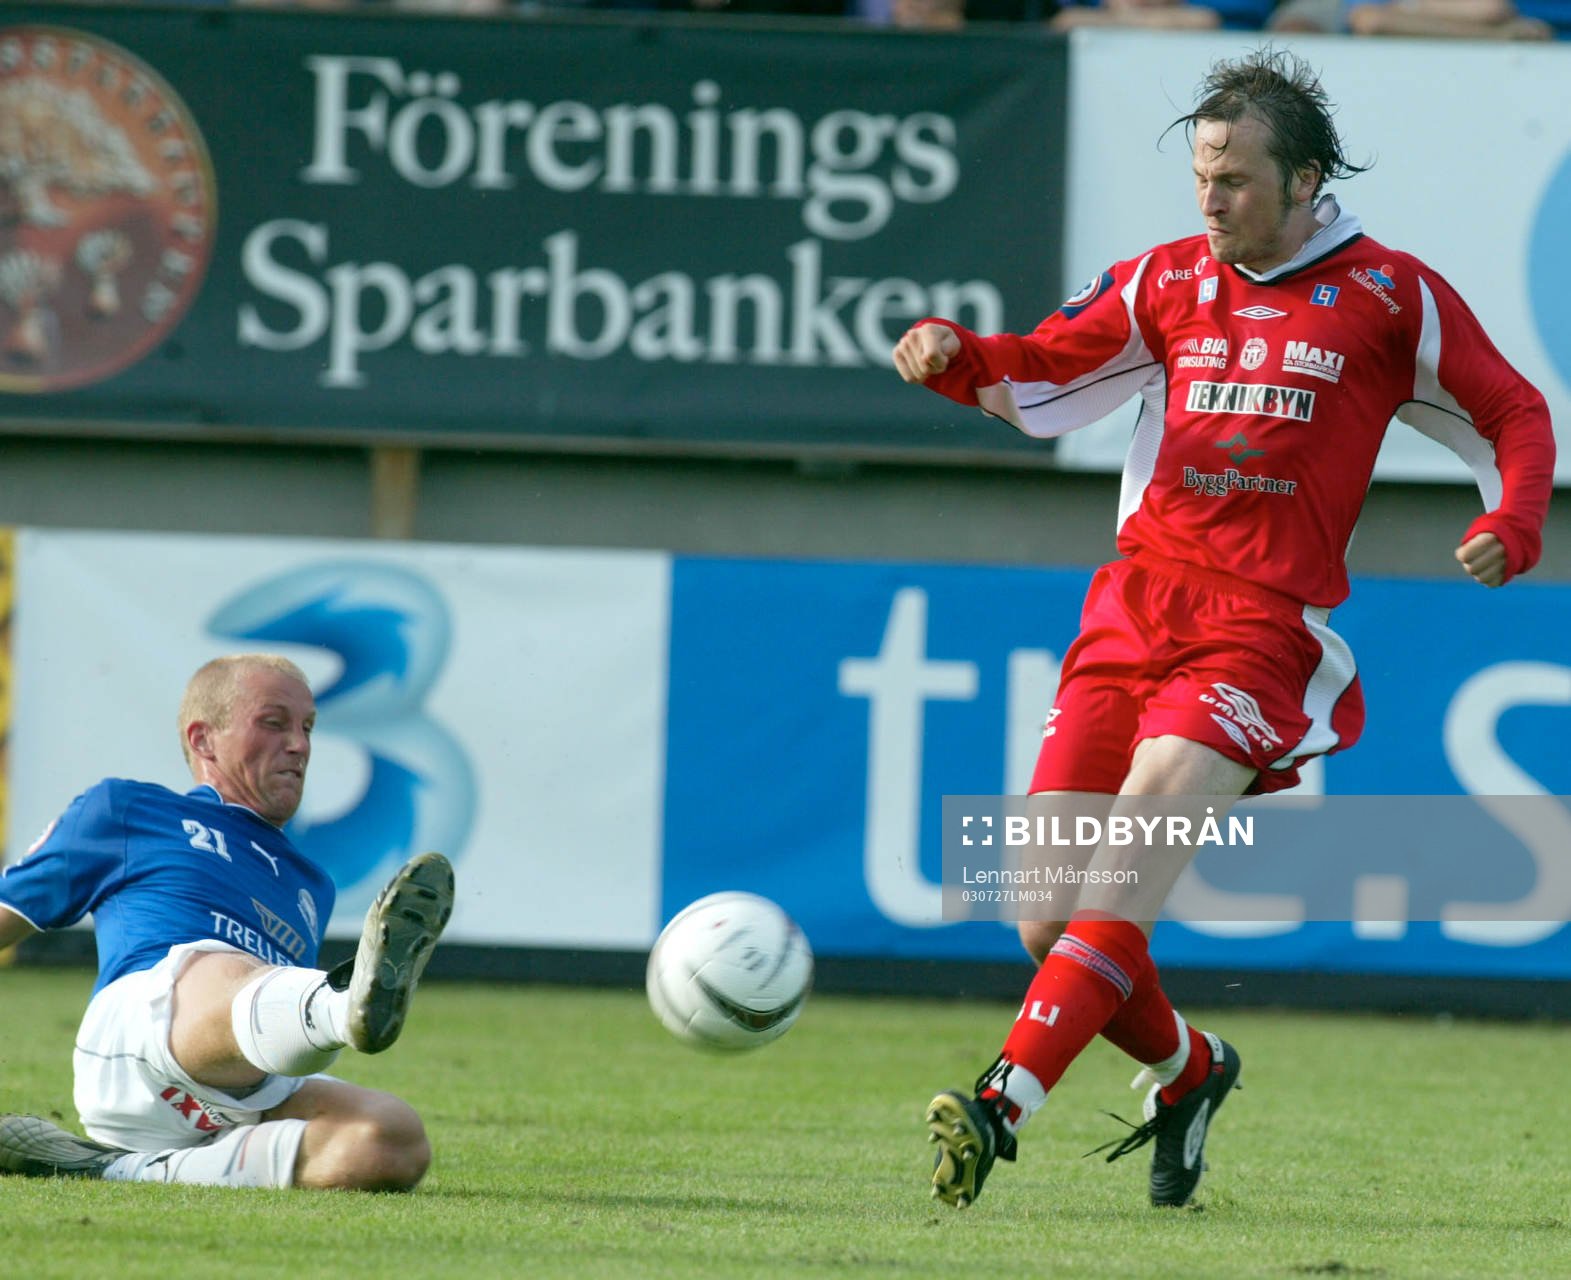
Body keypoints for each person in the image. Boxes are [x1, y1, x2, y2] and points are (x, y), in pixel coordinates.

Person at [893, 49, 1554, 1211]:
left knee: (1128, 863)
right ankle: (1189, 1069)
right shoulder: (1161, 280)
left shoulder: (1388, 295)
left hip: (1256, 628)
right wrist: (957, 352)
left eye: (1234, 179)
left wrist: (1512, 518)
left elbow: (1511, 408)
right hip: (1129, 606)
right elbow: (1040, 369)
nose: (1209, 198)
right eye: (1200, 175)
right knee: (1044, 915)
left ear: (1303, 182)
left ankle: (1003, 1101)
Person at [0, 653, 455, 1192]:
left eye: (307, 728)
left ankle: (115, 1167)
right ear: (203, 740)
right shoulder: (129, 811)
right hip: (136, 1049)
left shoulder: (311, 885)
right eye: (274, 723)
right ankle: (340, 1006)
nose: (299, 745)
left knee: (391, 1138)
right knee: (222, 963)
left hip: (232, 1091)